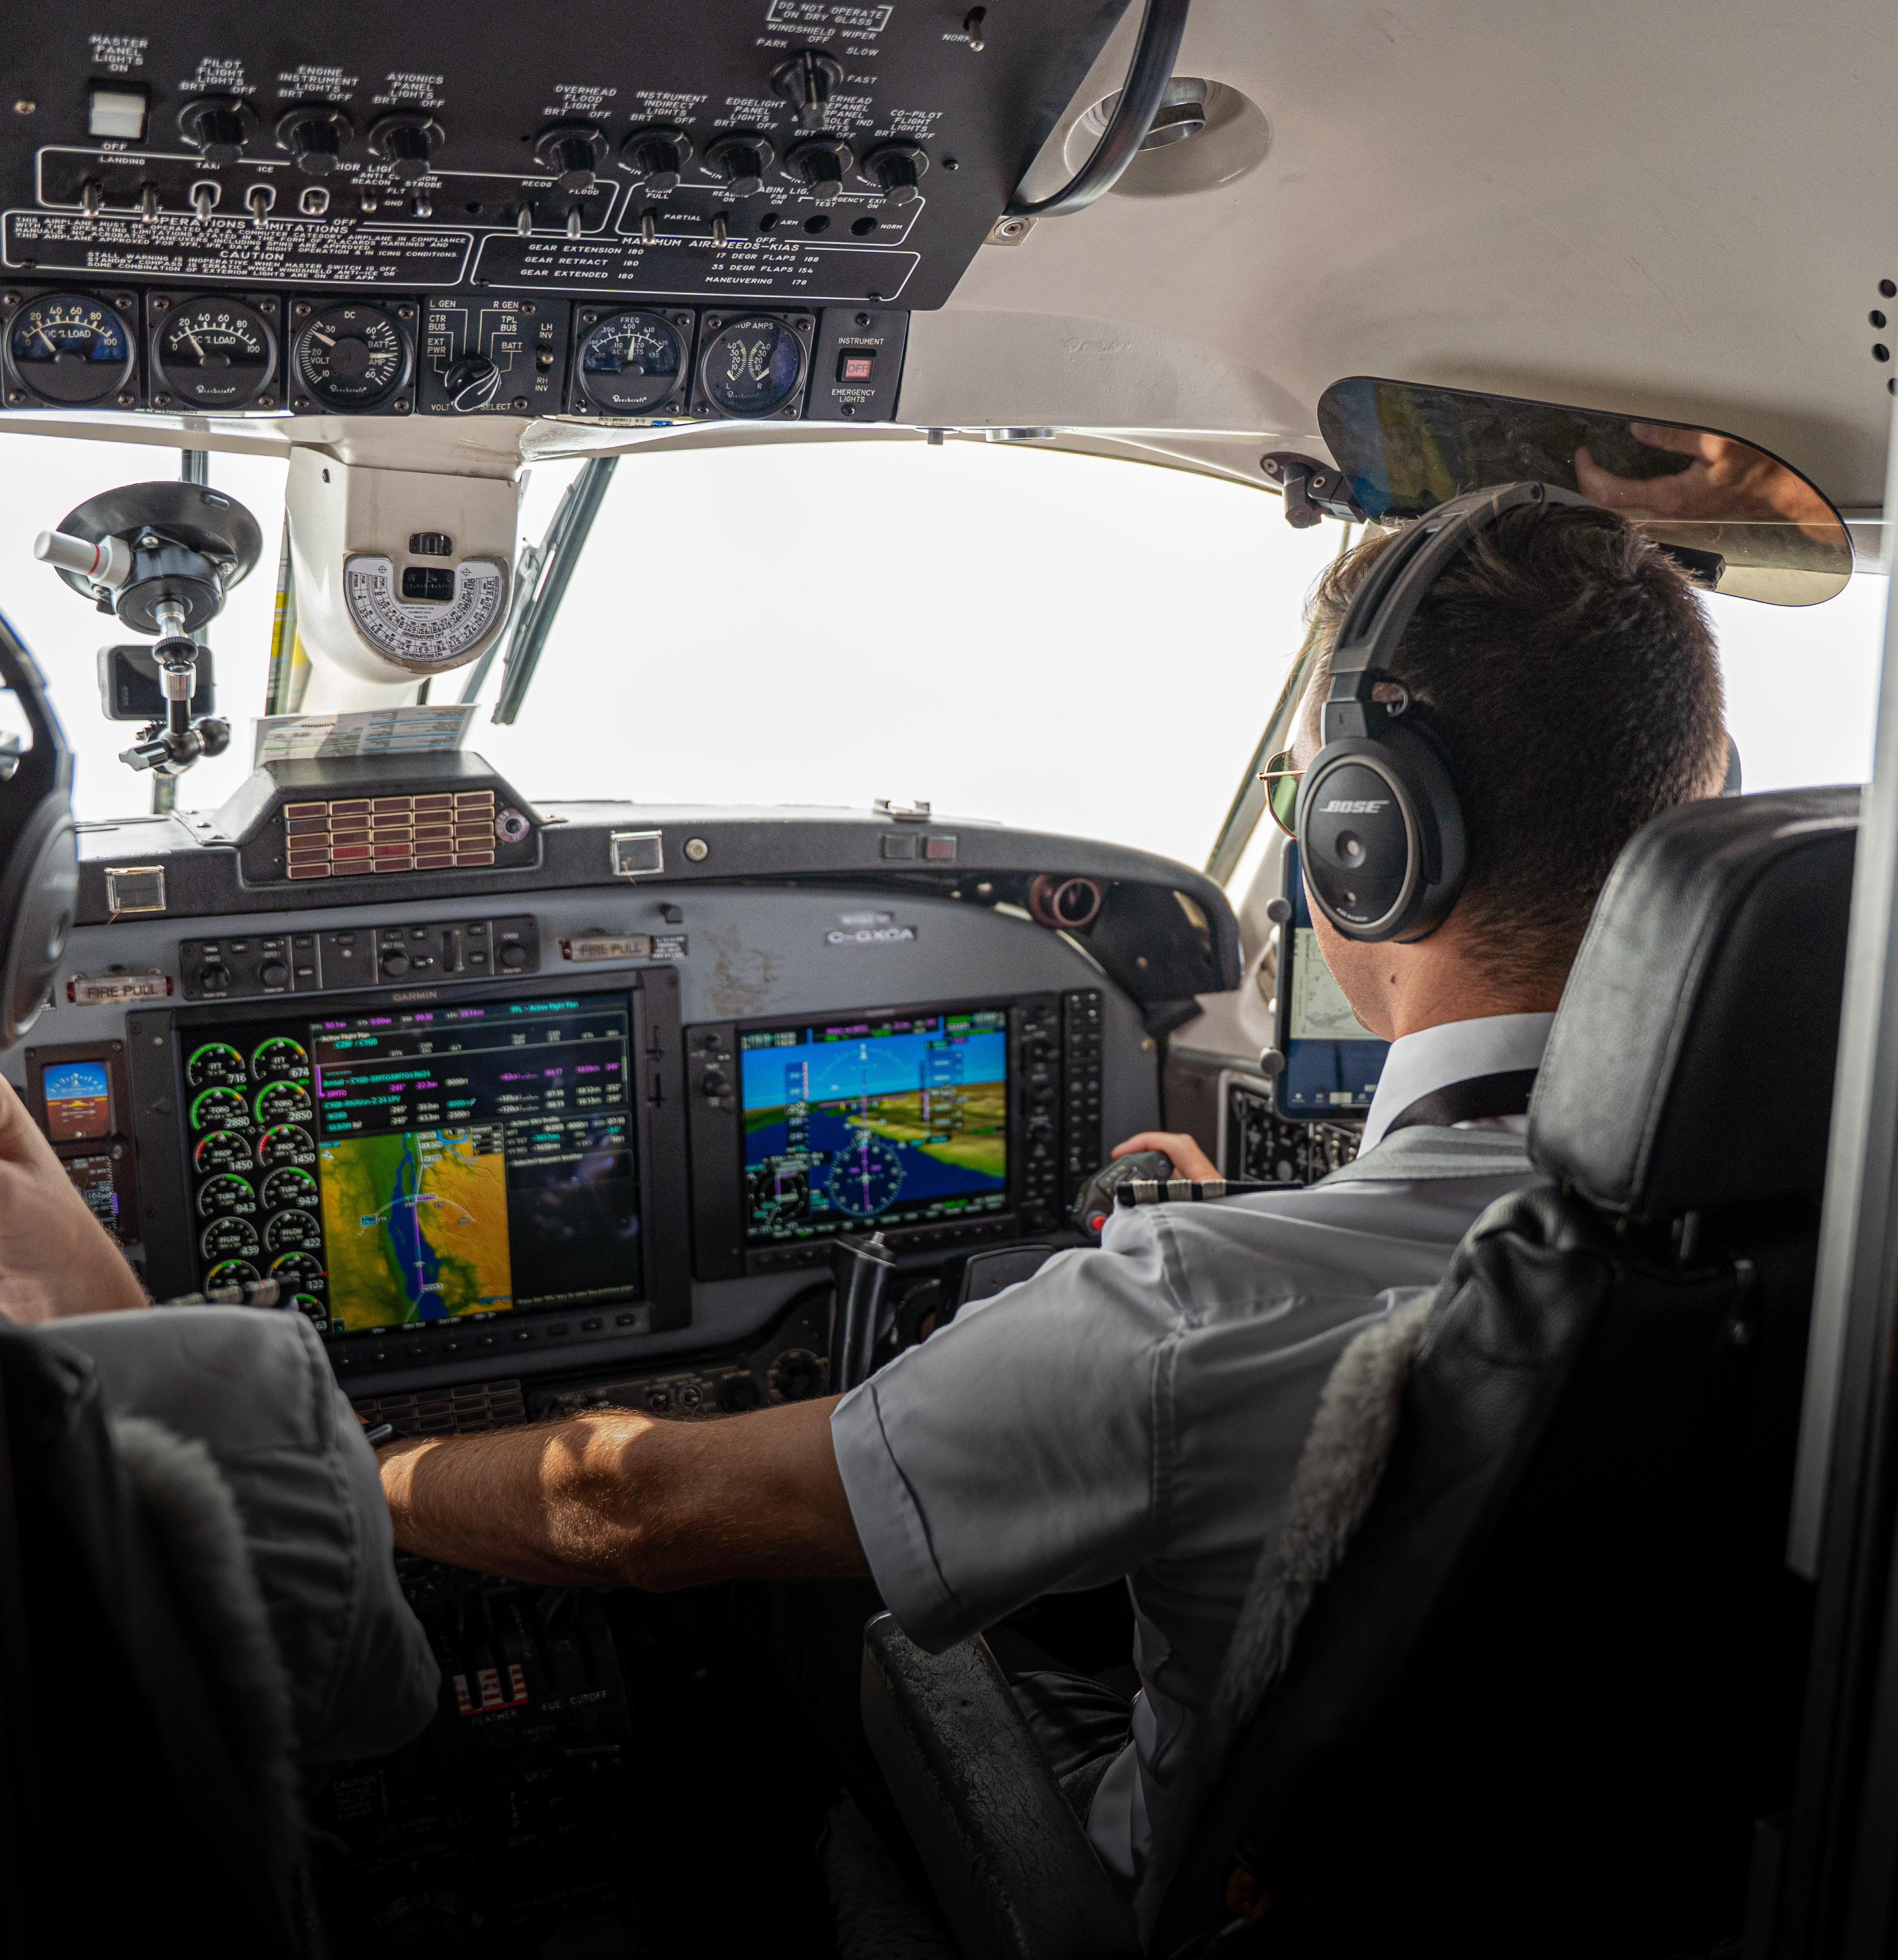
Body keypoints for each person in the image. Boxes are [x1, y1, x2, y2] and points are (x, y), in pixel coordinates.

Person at [371, 497, 1734, 1893]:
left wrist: (358, 1477)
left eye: (1296, 798)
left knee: (784, 1584)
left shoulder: (1192, 1305)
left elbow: (633, 1511)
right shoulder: (1830, 1234)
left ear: (1360, 842)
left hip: (1195, 1896)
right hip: (1621, 1869)